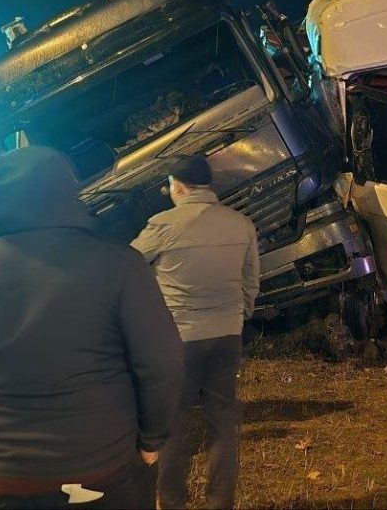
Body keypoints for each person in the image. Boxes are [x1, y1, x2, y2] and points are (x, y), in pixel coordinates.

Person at [0, 146, 183, 509]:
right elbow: (163, 363)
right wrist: (151, 439)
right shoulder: (120, 265)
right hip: (102, 470)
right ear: (70, 195)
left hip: (5, 477)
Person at [131, 155, 259, 510]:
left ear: (178, 186)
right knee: (223, 422)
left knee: (171, 423)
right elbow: (251, 281)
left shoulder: (164, 224)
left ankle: (170, 501)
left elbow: (128, 265)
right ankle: (220, 502)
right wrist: (238, 316)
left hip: (179, 338)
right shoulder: (241, 224)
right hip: (227, 335)